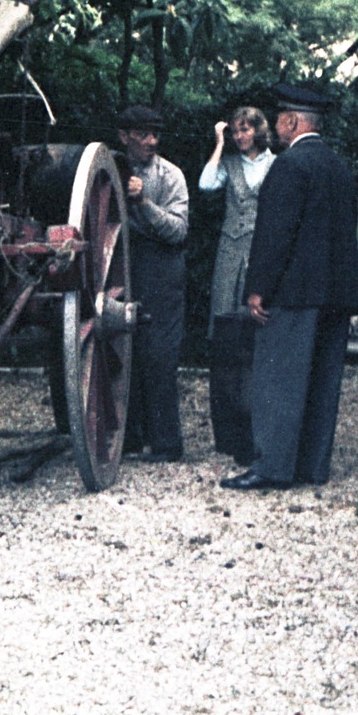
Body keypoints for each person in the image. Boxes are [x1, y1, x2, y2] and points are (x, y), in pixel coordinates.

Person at [221, 84, 358, 490]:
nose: (278, 126)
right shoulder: (338, 166)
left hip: (295, 294)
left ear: (292, 122)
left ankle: (273, 467)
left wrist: (258, 288)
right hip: (335, 295)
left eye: (282, 119)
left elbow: (275, 235)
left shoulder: (288, 166)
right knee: (322, 380)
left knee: (280, 380)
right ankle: (312, 467)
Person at [198, 107, 275, 462]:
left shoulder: (276, 164)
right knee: (226, 333)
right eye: (235, 132)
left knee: (258, 334)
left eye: (245, 131)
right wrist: (217, 144)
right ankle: (228, 433)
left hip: (261, 253)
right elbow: (205, 185)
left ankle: (261, 427)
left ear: (259, 131)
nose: (239, 137)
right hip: (230, 254)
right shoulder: (228, 163)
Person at [115, 105, 189, 462]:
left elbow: (178, 230)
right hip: (120, 267)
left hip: (162, 268)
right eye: (143, 134)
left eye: (156, 134)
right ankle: (127, 438)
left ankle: (166, 444)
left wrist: (144, 203)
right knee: (121, 350)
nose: (152, 141)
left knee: (159, 355)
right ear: (124, 137)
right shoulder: (110, 168)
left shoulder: (171, 176)